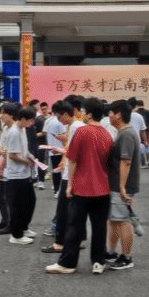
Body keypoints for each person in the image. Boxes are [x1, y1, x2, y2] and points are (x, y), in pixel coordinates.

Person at [45, 97, 113, 275]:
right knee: (99, 227)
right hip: (103, 188)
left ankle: (68, 263)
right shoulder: (107, 134)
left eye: (83, 111)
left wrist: (70, 185)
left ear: (88, 114)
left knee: (75, 226)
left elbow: (73, 160)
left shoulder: (82, 132)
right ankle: (98, 262)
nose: (82, 114)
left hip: (82, 188)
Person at [41, 99, 84, 254]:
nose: (58, 120)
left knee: (63, 210)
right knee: (73, 211)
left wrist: (59, 151)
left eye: (59, 117)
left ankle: (60, 243)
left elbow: (73, 152)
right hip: (73, 172)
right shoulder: (75, 126)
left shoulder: (76, 127)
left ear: (65, 113)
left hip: (70, 175)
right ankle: (74, 241)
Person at [105, 99, 140, 270]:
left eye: (111, 113)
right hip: (117, 185)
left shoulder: (126, 134)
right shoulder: (122, 132)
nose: (109, 116)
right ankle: (111, 252)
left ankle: (126, 257)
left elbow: (126, 162)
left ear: (118, 115)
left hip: (121, 186)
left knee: (123, 221)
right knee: (114, 220)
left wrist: (122, 187)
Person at [4, 105, 38, 245]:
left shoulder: (22, 130)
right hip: (15, 175)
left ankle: (24, 227)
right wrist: (27, 161)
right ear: (23, 119)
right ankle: (16, 235)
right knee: (17, 206)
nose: (32, 123)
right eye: (30, 120)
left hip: (24, 173)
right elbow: (12, 155)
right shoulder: (14, 132)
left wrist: (31, 157)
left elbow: (24, 150)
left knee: (30, 201)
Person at [42, 102, 66, 196]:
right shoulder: (60, 122)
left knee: (55, 170)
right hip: (61, 149)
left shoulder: (48, 120)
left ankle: (56, 190)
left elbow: (44, 132)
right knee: (61, 170)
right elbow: (64, 136)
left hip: (52, 148)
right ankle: (59, 190)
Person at [135, 99, 149, 168]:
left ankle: (142, 162)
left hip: (138, 131)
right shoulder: (147, 112)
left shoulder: (136, 113)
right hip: (146, 130)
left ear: (137, 105)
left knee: (140, 146)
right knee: (147, 144)